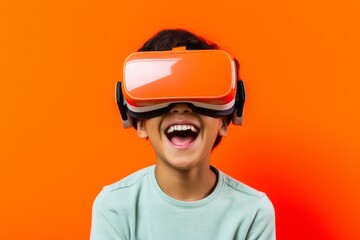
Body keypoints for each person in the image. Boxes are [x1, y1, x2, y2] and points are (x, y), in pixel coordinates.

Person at [90, 29, 276, 240]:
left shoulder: (253, 211)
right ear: (139, 124)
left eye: (199, 94)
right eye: (160, 96)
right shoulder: (115, 206)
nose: (181, 108)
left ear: (225, 121)